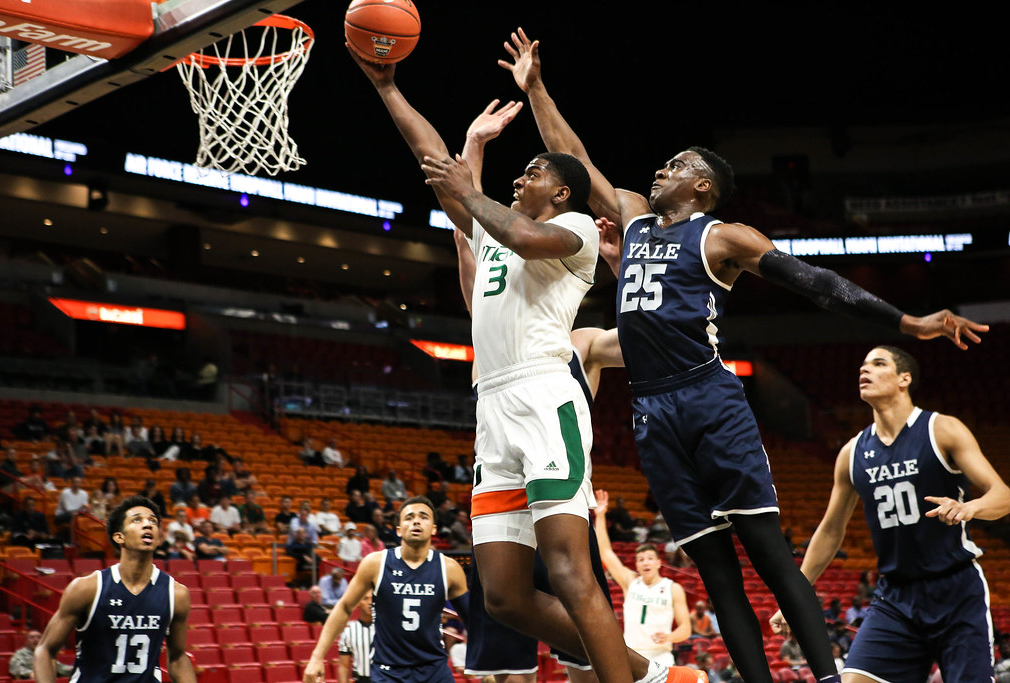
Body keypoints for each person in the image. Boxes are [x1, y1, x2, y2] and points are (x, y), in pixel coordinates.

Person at [503, 27, 990, 683]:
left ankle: (823, 678)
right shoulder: (635, 215)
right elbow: (573, 155)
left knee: (767, 552)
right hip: (651, 409)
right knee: (715, 569)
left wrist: (909, 322)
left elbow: (818, 283)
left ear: (702, 186)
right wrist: (535, 88)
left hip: (708, 398)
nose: (660, 169)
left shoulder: (723, 235)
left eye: (677, 165)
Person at [350, 48, 696, 683]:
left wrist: (466, 188)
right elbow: (439, 169)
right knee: (504, 597)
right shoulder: (492, 228)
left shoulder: (575, 234)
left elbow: (515, 232)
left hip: (544, 400)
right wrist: (389, 87)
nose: (520, 179)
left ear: (561, 192)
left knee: (568, 571)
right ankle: (649, 672)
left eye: (532, 172)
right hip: (492, 409)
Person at [771, 345, 1010, 682]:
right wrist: (796, 595)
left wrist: (968, 507)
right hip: (896, 597)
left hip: (955, 590)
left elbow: (1002, 495)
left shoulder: (941, 429)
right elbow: (830, 530)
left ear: (904, 379)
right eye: (862, 366)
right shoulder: (851, 453)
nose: (864, 371)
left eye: (878, 363)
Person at [302, 496, 469, 683]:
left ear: (434, 528)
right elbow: (344, 607)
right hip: (389, 672)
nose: (416, 521)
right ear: (398, 530)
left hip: (435, 670)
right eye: (409, 517)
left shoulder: (449, 568)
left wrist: (490, 663)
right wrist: (317, 657)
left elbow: (473, 619)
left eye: (423, 517)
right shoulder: (376, 563)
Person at [33, 495, 196, 683]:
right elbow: (45, 650)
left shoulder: (176, 594)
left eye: (153, 521)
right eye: (137, 520)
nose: (148, 524)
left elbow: (177, 658)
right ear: (119, 537)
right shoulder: (87, 588)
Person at [594, 490, 691, 665]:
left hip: (662, 656)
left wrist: (670, 636)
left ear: (658, 563)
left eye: (649, 559)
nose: (645, 563)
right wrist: (600, 516)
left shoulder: (673, 588)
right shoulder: (630, 581)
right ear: (637, 565)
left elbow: (685, 628)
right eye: (641, 559)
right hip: (632, 655)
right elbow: (606, 552)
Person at [336, 591, 374, 683]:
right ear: (358, 603)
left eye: (373, 599)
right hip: (360, 679)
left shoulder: (384, 629)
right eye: (366, 599)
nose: (370, 602)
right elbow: (344, 667)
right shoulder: (349, 631)